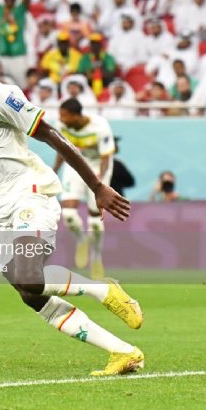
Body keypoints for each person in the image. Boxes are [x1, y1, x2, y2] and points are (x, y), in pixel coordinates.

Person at [0, 24, 143, 377]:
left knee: (28, 275)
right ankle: (122, 351)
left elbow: (52, 136)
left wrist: (96, 186)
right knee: (30, 294)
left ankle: (101, 287)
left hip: (29, 190)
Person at [53, 98, 115, 280]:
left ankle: (96, 256)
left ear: (75, 116)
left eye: (64, 116)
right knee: (69, 215)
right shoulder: (62, 125)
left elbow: (105, 158)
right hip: (76, 166)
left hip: (98, 168)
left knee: (95, 222)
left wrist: (100, 184)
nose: (61, 119)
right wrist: (55, 170)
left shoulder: (100, 126)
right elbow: (62, 149)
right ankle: (82, 240)